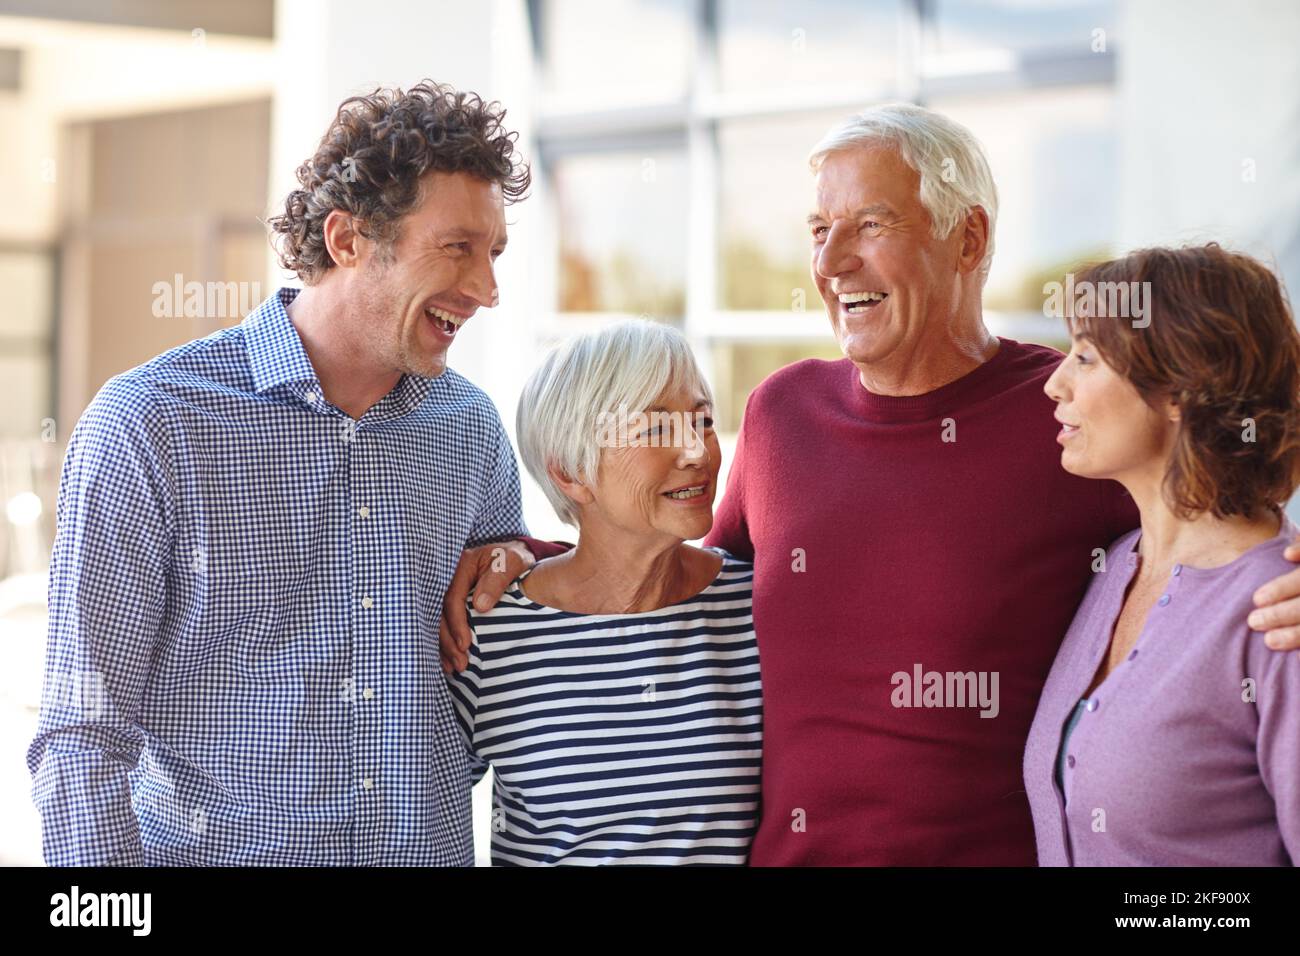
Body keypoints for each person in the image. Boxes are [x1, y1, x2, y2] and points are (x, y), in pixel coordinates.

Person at [442, 102, 1300, 866]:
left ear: (967, 239)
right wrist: (538, 555)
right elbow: (681, 572)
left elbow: (1224, 504)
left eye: (870, 224)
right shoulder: (784, 414)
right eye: (818, 230)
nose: (834, 261)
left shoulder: (1072, 418)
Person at [27, 80, 549, 865]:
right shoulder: (151, 425)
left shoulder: (469, 429)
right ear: (347, 239)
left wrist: (516, 561)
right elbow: (81, 736)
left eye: (494, 253)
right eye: (457, 249)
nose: (487, 291)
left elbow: (497, 657)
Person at [445, 320, 761, 865]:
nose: (698, 453)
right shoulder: (492, 629)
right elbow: (410, 805)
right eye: (656, 430)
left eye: (703, 420)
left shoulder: (757, 605)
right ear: (571, 473)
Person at [1025, 244, 1300, 865]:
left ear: (1181, 387)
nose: (1055, 382)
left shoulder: (1278, 618)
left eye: (1087, 358)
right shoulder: (1114, 567)